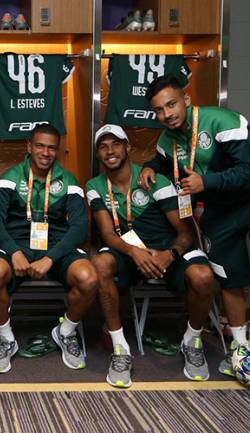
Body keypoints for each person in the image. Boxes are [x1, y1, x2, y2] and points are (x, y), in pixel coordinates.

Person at [88, 124, 217, 387]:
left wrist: (168, 255)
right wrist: (135, 253)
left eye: (115, 144)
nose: (110, 150)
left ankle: (192, 341)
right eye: (103, 146)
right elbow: (107, 234)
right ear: (98, 154)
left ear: (127, 147)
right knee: (99, 263)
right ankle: (120, 348)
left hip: (166, 251)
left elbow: (185, 233)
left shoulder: (155, 180)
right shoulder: (94, 186)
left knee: (203, 276)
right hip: (127, 252)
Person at [138, 75, 250, 375]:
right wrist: (150, 167)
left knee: (232, 275)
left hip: (242, 204)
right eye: (159, 110)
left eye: (171, 104)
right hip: (217, 212)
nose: (167, 114)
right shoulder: (167, 138)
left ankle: (239, 347)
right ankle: (240, 348)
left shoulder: (222, 121)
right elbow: (163, 162)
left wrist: (207, 181)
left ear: (186, 100)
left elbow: (247, 171)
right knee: (230, 275)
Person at [0, 123, 98, 374]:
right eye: (40, 146)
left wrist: (50, 258)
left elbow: (80, 227)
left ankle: (65, 332)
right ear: (29, 147)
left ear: (57, 151)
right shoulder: (10, 178)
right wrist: (14, 251)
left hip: (56, 247)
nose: (45, 152)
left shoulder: (69, 181)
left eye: (51, 148)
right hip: (16, 245)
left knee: (88, 278)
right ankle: (6, 338)